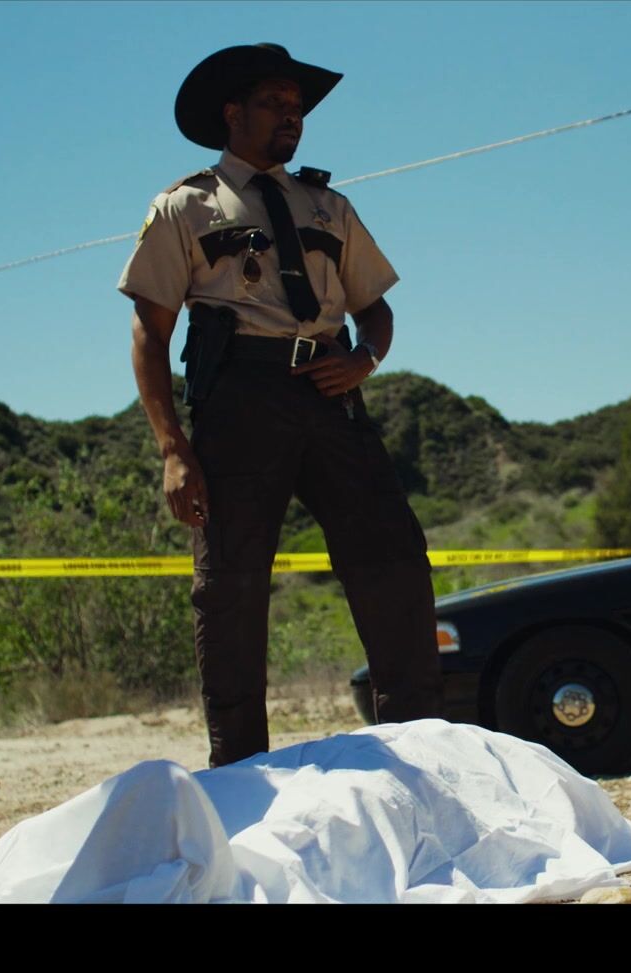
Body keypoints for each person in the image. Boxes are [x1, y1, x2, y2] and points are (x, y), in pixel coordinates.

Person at [119, 44, 443, 768]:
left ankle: (420, 756)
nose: (292, 116)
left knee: (394, 559)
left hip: (331, 390)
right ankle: (239, 774)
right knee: (231, 586)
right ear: (232, 113)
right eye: (275, 103)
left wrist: (364, 357)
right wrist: (173, 448)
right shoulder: (186, 205)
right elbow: (149, 333)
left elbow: (375, 307)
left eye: (298, 107)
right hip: (240, 395)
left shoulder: (328, 204)